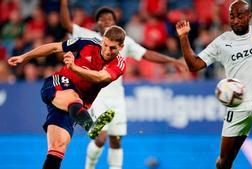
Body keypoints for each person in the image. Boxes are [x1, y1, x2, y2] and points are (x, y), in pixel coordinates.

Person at [60, 1, 187, 169]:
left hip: (117, 98)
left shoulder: (123, 42)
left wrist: (172, 60)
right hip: (95, 96)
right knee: (100, 137)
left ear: (115, 22)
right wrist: (63, 3)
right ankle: (89, 167)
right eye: (102, 19)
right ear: (96, 22)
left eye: (109, 19)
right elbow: (66, 24)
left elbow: (146, 54)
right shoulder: (88, 36)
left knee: (116, 140)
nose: (106, 22)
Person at [175, 0, 252, 168]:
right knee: (224, 162)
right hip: (236, 105)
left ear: (249, 16)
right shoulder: (222, 42)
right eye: (232, 17)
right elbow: (194, 65)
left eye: (240, 16)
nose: (235, 20)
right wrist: (183, 37)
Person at [7, 25, 127, 169]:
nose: (107, 51)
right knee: (72, 96)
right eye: (105, 45)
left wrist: (74, 67)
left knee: (58, 148)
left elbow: (100, 78)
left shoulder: (119, 64)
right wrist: (24, 57)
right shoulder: (87, 43)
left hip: (75, 109)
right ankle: (90, 127)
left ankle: (88, 125)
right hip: (57, 84)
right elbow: (54, 48)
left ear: (121, 47)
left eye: (112, 48)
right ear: (102, 40)